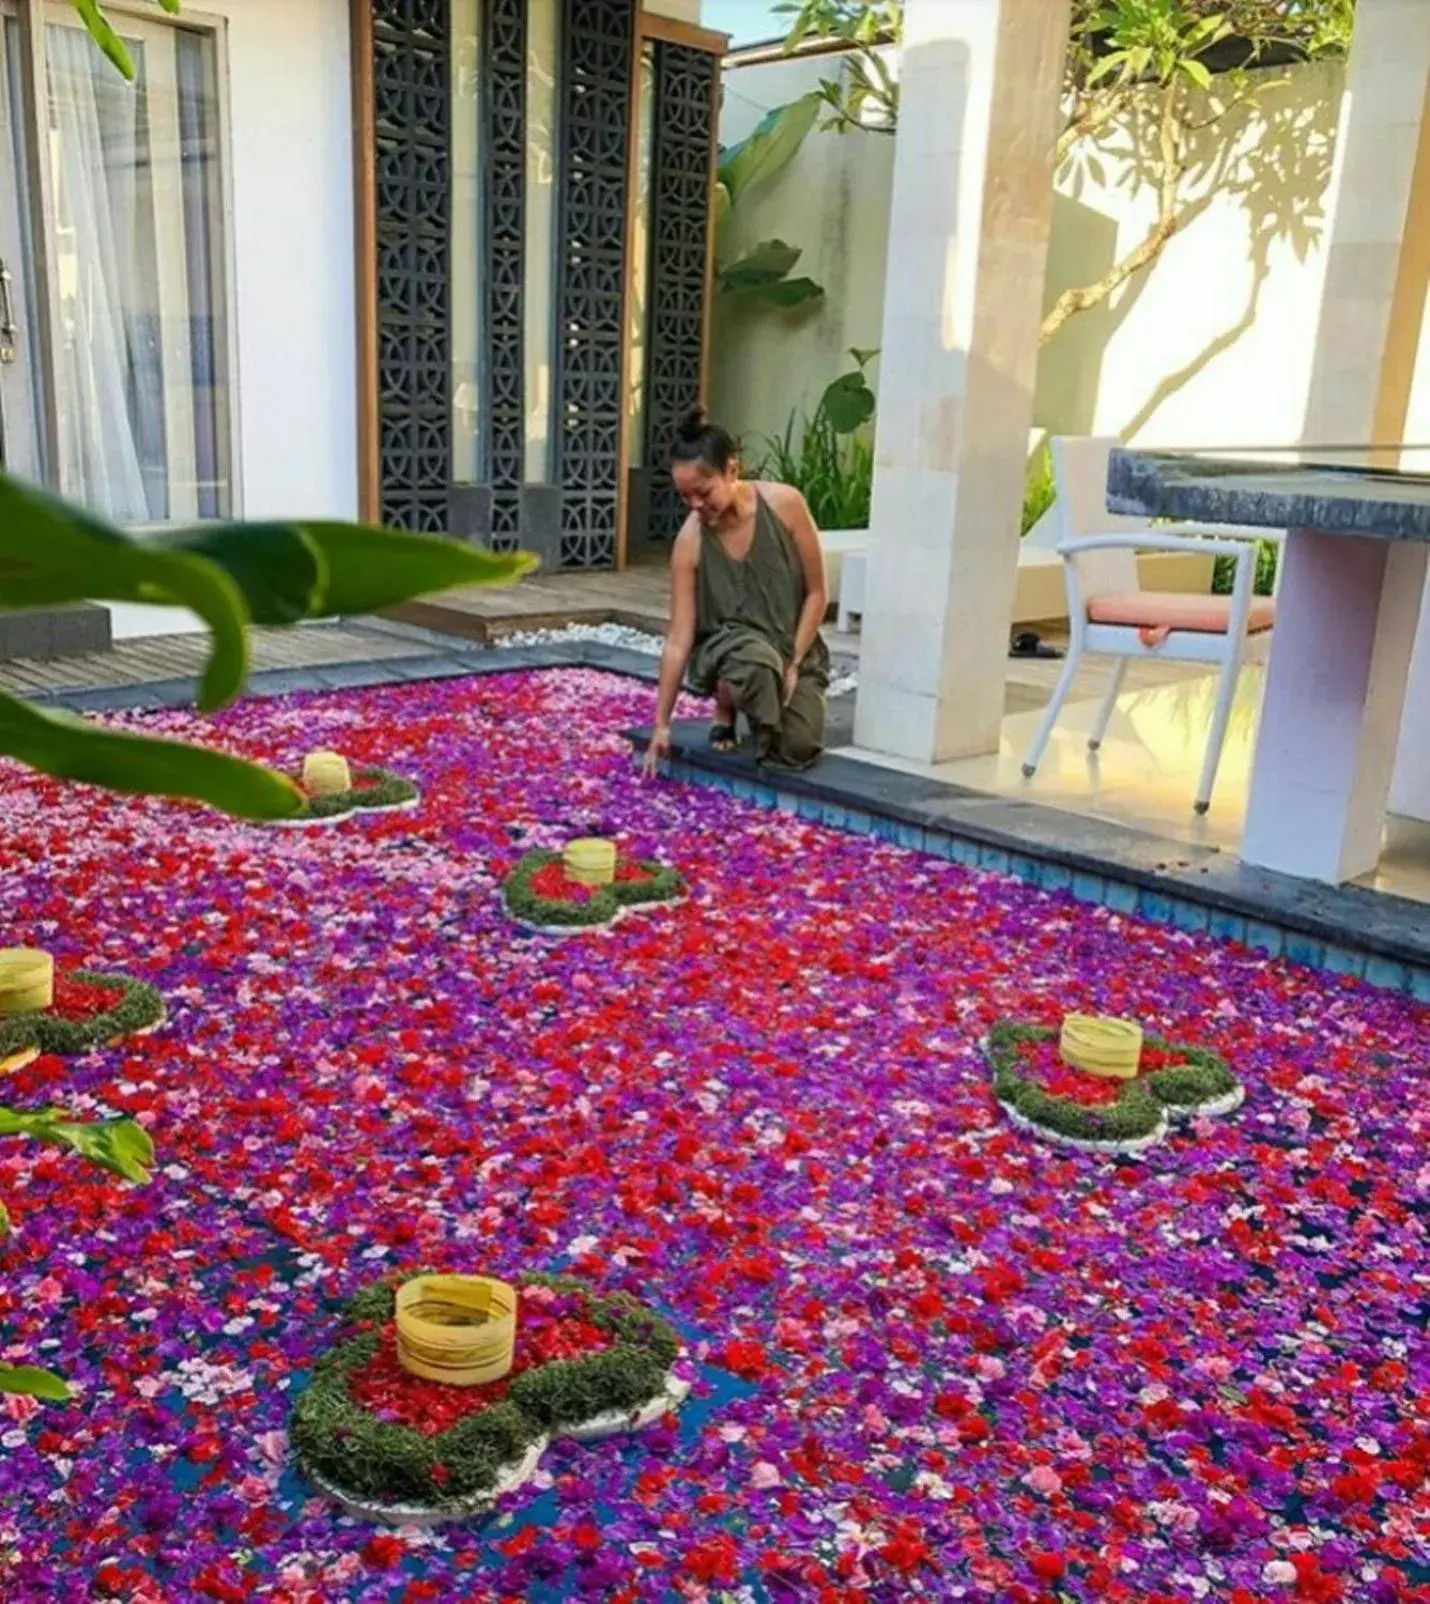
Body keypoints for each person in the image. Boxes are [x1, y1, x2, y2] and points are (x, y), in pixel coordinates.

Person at [642, 408, 830, 777]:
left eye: (703, 492)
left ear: (731, 470)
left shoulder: (786, 505)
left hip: (789, 646)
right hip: (731, 647)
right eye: (685, 497)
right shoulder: (690, 542)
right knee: (755, 664)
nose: (696, 506)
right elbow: (679, 638)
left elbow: (817, 593)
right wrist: (662, 724)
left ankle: (758, 698)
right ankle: (727, 698)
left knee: (795, 749)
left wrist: (793, 662)